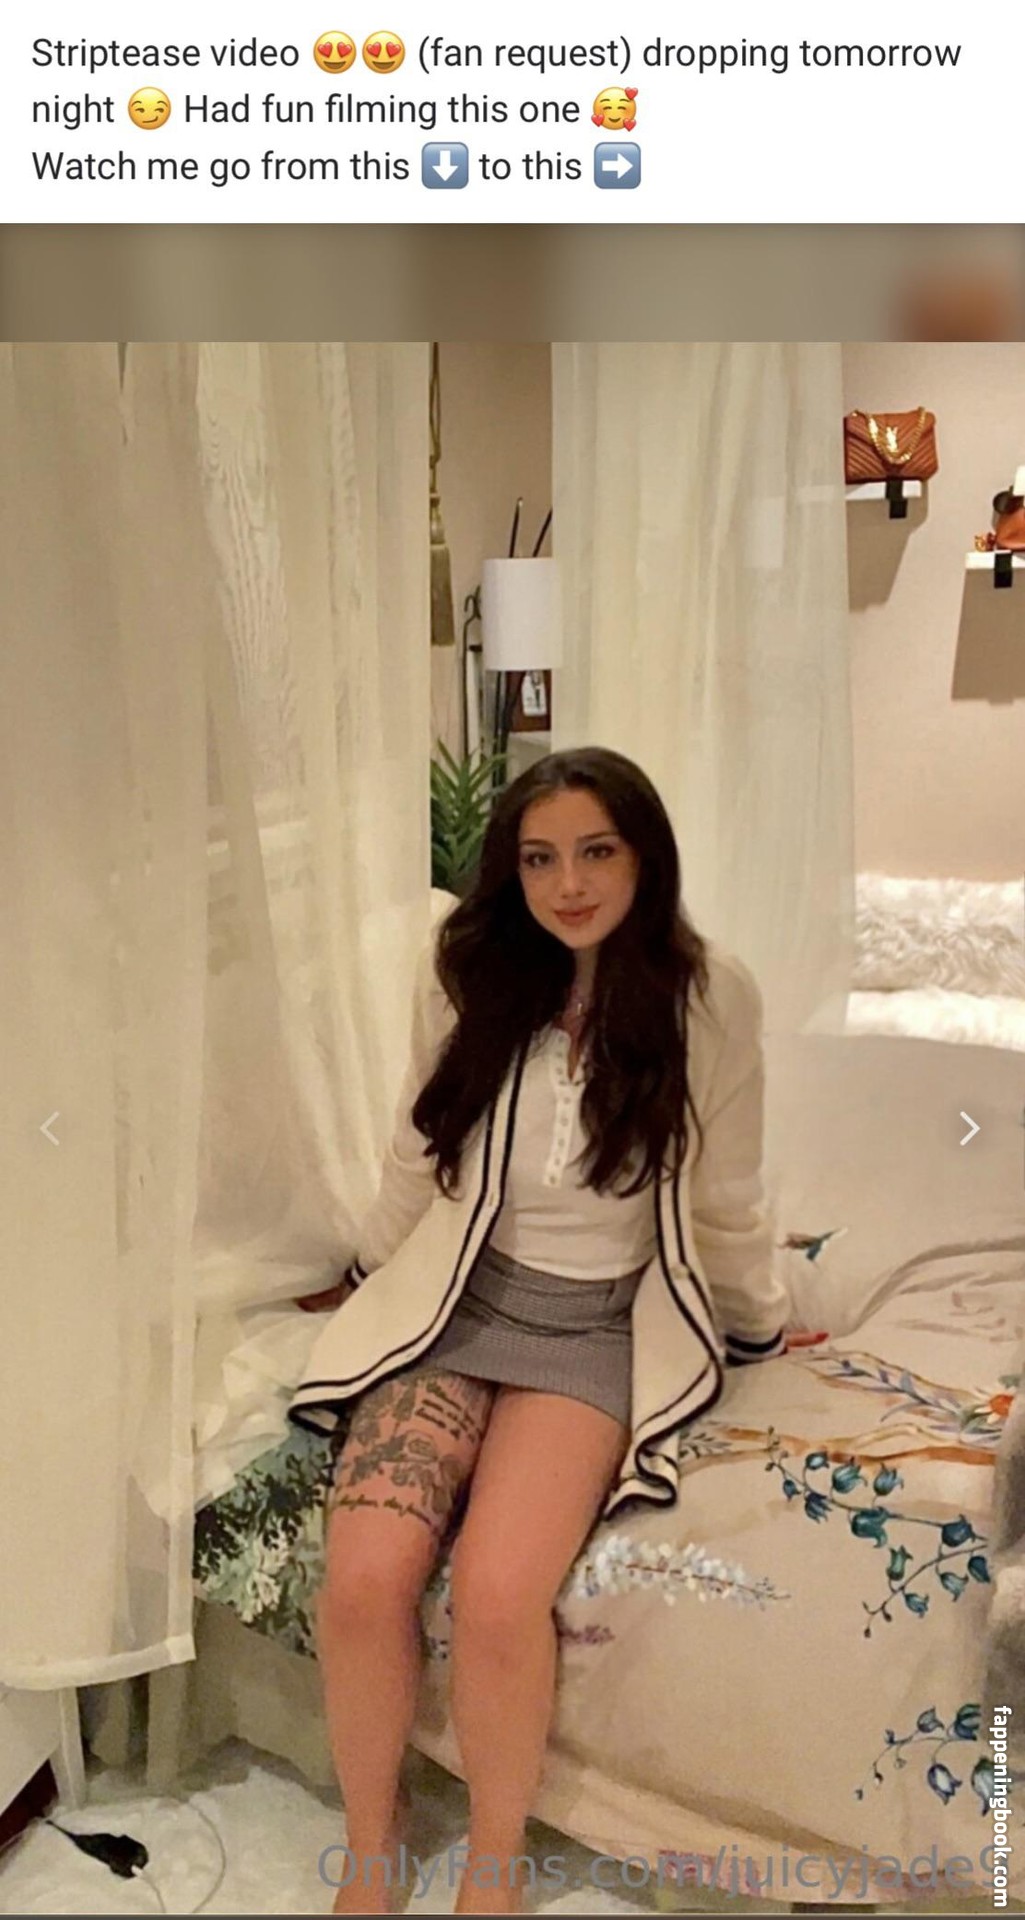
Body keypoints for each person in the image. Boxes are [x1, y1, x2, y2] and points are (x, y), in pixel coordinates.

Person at [291, 746, 806, 1916]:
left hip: (587, 1333)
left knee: (495, 1594)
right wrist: (365, 1271)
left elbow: (725, 1198)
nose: (566, 884)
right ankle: (371, 1848)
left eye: (594, 852)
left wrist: (758, 1330)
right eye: (537, 859)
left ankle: (492, 1862)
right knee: (364, 1579)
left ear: (643, 857)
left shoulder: (707, 997)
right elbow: (417, 1145)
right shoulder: (470, 971)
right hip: (452, 1305)